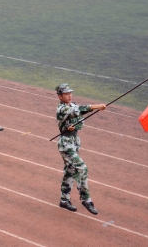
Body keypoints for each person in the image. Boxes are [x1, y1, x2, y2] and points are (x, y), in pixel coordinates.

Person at [55, 83, 106, 215]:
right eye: (66, 94)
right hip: (66, 144)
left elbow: (80, 123)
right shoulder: (61, 109)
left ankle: (64, 200)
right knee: (82, 168)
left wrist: (72, 127)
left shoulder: (72, 105)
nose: (70, 96)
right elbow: (79, 111)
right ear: (60, 96)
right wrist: (96, 107)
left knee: (70, 171)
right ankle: (86, 199)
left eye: (70, 93)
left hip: (74, 142)